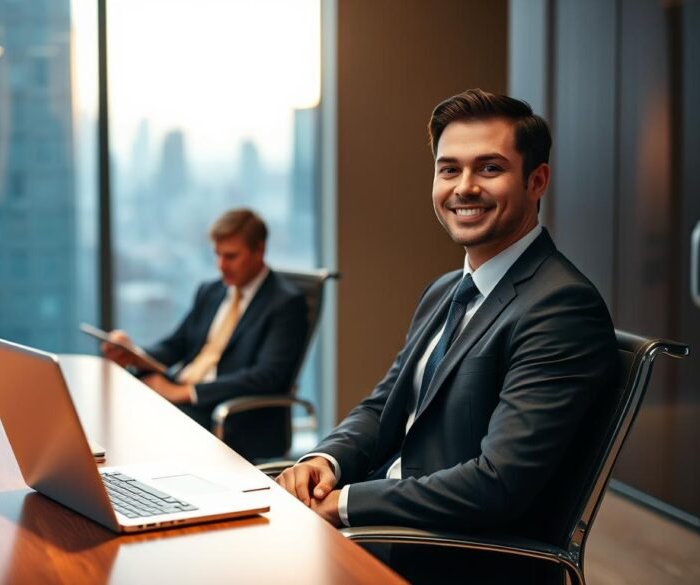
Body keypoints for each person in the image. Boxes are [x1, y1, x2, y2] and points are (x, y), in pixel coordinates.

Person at [276, 89, 616, 583]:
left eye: (490, 168)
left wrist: (346, 504)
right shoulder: (445, 290)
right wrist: (324, 460)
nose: (464, 187)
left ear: (536, 180)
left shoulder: (561, 307)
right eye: (449, 169)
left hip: (447, 557)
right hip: (385, 531)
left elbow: (498, 484)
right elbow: (382, 407)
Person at [102, 208, 309, 459]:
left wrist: (187, 392)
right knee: (115, 404)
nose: (221, 266)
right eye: (218, 255)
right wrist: (135, 354)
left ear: (259, 251)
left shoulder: (285, 303)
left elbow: (267, 376)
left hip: (232, 414)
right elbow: (176, 344)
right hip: (184, 393)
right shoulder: (211, 291)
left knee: (142, 423)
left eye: (231, 256)